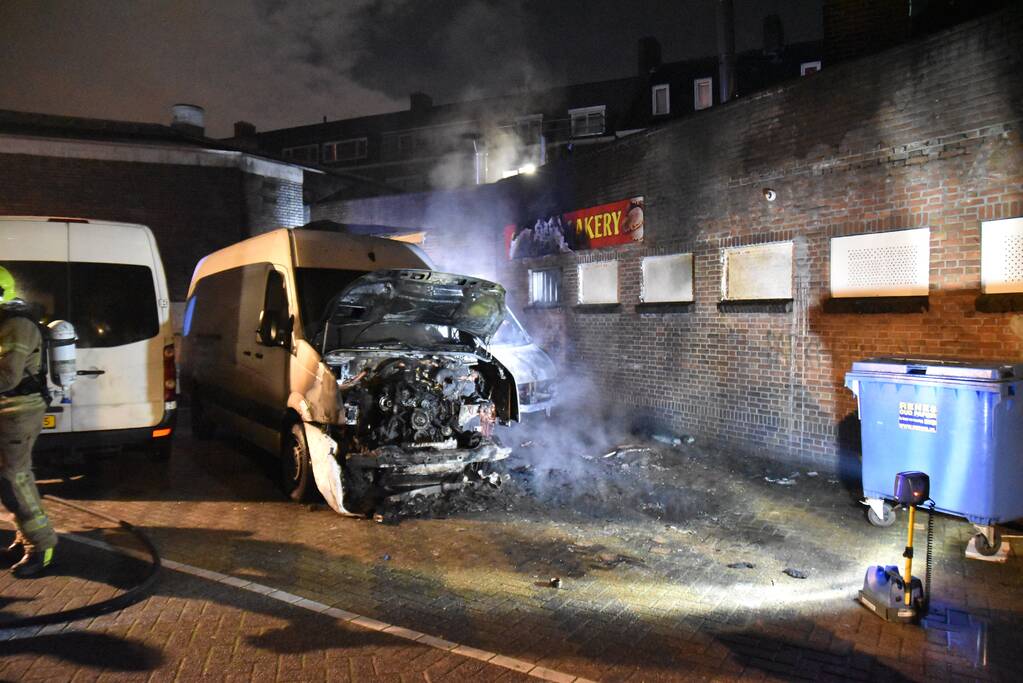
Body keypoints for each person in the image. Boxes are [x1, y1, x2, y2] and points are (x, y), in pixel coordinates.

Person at [0, 266, 58, 577]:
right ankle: (25, 538)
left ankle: (42, 546)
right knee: (13, 480)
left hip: (18, 413)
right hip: (9, 412)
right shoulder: (5, 323)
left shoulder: (17, 327)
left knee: (13, 481)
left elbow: (8, 376)